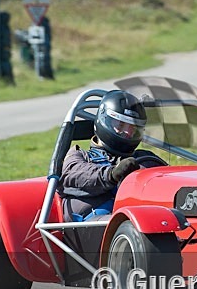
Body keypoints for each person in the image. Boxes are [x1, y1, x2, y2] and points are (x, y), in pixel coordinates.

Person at [58, 90, 163, 222]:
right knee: (132, 223)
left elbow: (171, 180)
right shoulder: (80, 155)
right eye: (120, 125)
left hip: (142, 220)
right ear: (104, 120)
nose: (128, 133)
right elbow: (74, 174)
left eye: (134, 128)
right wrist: (111, 174)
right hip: (94, 222)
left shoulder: (146, 159)